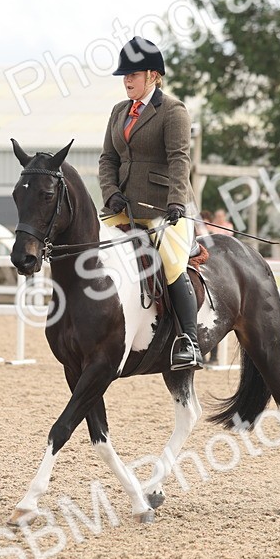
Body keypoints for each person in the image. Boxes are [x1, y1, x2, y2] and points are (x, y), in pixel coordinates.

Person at [98, 36, 202, 370]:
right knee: (91, 248)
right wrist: (110, 191)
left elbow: (179, 160)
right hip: (123, 208)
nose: (127, 80)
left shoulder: (173, 111)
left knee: (171, 265)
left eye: (134, 74)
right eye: (124, 75)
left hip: (163, 211)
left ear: (153, 76)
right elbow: (107, 159)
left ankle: (190, 341)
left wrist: (176, 202)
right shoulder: (118, 112)